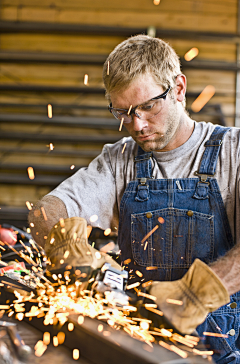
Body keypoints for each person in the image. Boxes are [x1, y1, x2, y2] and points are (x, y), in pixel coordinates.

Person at [29, 35, 240, 363]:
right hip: (137, 347)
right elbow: (45, 211)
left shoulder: (233, 151)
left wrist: (197, 293)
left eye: (148, 106)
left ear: (179, 88)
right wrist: (66, 248)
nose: (137, 125)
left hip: (220, 352)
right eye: (123, 112)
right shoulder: (118, 161)